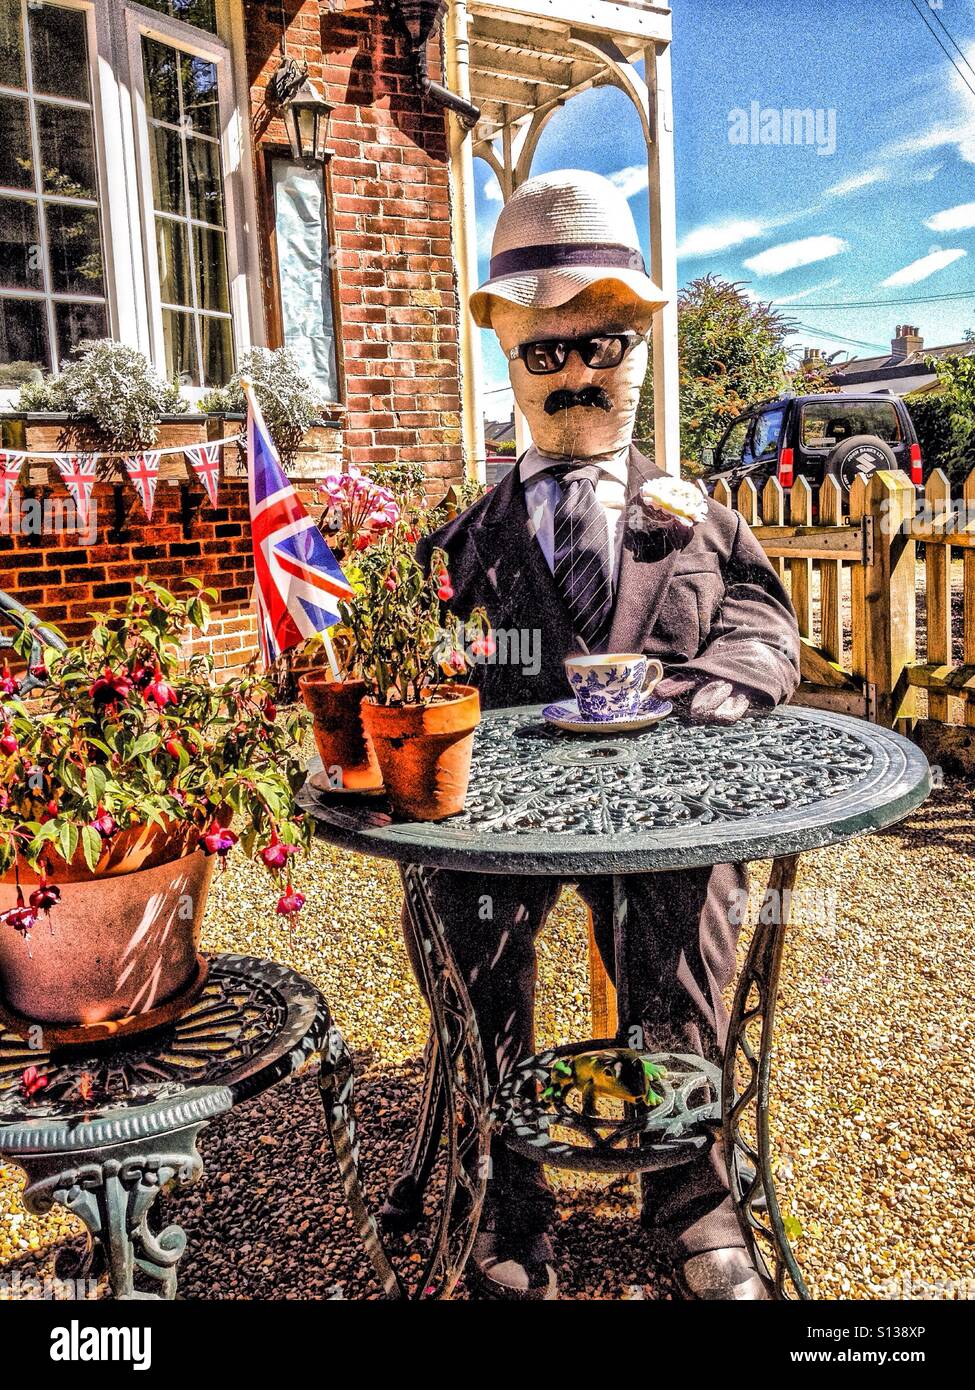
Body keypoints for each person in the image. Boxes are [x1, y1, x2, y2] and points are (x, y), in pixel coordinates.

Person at [410, 169, 801, 1300]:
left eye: (603, 347)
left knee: (689, 927)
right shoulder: (463, 545)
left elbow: (764, 617)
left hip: (664, 804)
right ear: (511, 361)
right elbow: (409, 665)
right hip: (506, 822)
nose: (577, 374)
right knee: (463, 929)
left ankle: (691, 1191)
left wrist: (735, 675)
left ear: (635, 351)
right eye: (547, 353)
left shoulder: (700, 520)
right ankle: (508, 1185)